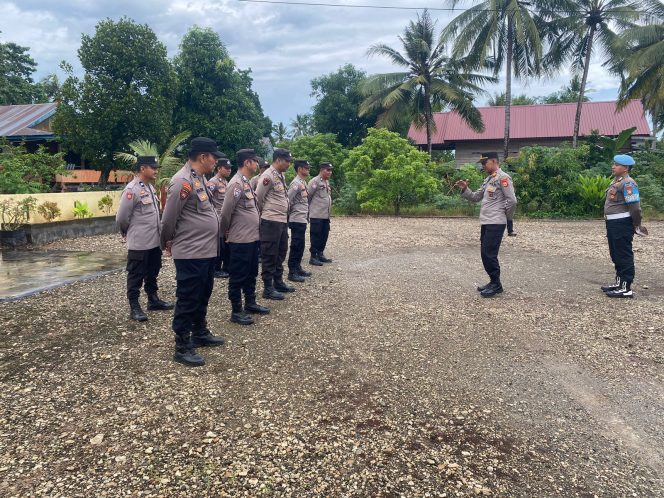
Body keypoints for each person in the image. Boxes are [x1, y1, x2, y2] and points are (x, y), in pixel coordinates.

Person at [161, 137, 226, 367]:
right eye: (213, 156)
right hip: (191, 251)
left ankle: (199, 331)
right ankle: (182, 344)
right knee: (188, 297)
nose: (216, 160)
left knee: (203, 292)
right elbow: (168, 219)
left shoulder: (199, 178)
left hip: (206, 250)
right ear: (203, 157)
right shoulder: (182, 181)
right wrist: (166, 241)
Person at [116, 156, 173, 321]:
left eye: (156, 167)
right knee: (135, 274)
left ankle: (153, 299)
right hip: (139, 242)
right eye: (152, 167)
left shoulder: (149, 188)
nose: (156, 170)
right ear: (142, 169)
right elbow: (121, 218)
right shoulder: (131, 190)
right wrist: (127, 232)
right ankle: (134, 306)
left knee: (152, 271)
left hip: (153, 240)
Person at [455, 152, 517, 297]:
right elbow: (476, 197)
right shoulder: (489, 179)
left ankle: (497, 285)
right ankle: (493, 281)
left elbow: (512, 201)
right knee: (485, 253)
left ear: (494, 161)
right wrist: (465, 189)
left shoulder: (503, 178)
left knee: (489, 254)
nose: (483, 166)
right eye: (482, 164)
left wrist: (506, 216)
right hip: (487, 221)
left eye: (485, 163)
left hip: (496, 222)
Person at [220, 149, 270, 325]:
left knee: (251, 273)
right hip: (240, 239)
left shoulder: (246, 182)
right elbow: (226, 213)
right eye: (255, 161)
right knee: (238, 275)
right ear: (248, 163)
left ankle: (250, 302)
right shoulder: (235, 184)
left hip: (252, 237)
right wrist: (224, 233)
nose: (257, 164)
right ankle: (236, 310)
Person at [601, 154, 645, 298]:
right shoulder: (617, 181)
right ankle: (619, 283)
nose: (613, 166)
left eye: (617, 165)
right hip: (613, 223)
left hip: (622, 224)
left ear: (625, 168)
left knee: (623, 254)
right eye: (613, 164)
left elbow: (635, 208)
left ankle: (626, 289)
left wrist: (637, 224)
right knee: (615, 254)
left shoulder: (628, 184)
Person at [255, 148, 295, 297]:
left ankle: (278, 281)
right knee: (269, 253)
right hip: (271, 221)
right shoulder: (267, 176)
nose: (289, 164)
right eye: (287, 161)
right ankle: (268, 287)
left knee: (281, 251)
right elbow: (258, 198)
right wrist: (263, 215)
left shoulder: (280, 175)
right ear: (278, 160)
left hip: (281, 220)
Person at [287, 159, 312, 282]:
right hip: (296, 218)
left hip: (302, 219)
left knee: (301, 245)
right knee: (296, 245)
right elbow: (288, 200)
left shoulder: (303, 182)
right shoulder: (295, 183)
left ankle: (298, 267)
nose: (308, 170)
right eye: (306, 168)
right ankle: (292, 272)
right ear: (300, 169)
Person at [208, 157, 232, 278]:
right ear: (219, 168)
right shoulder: (213, 182)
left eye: (230, 168)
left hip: (225, 218)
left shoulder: (226, 182)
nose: (229, 170)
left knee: (226, 244)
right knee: (219, 244)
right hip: (217, 217)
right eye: (226, 168)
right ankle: (216, 268)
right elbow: (208, 200)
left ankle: (226, 267)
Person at [307, 162, 333, 266]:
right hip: (316, 215)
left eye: (331, 170)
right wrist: (308, 211)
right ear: (322, 170)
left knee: (324, 235)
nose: (330, 172)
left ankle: (320, 254)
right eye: (328, 170)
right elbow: (308, 196)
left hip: (325, 215)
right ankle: (313, 257)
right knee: (316, 236)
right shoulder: (315, 181)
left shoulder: (326, 182)